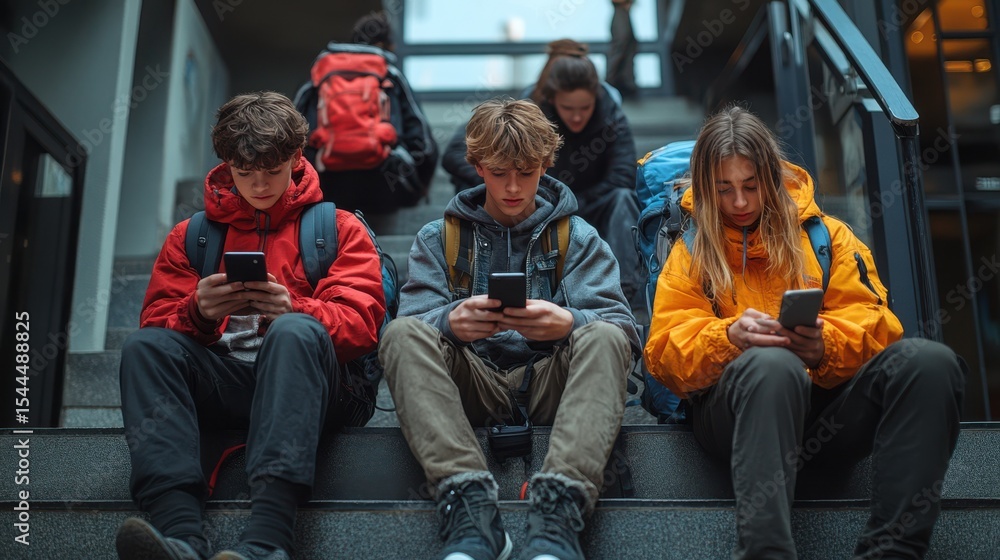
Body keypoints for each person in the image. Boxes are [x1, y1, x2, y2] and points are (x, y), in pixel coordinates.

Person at [644, 106, 966, 559]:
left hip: (823, 409)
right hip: (733, 415)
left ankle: (892, 551)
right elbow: (663, 354)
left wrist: (824, 346)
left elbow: (879, 324)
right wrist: (728, 338)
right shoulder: (689, 250)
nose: (739, 202)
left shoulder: (827, 237)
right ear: (704, 187)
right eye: (724, 190)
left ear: (772, 179)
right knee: (772, 364)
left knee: (930, 363)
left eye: (751, 186)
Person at [114, 92, 386, 560]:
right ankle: (179, 536)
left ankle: (266, 541)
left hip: (320, 385)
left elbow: (362, 325)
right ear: (226, 164)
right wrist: (198, 313)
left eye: (272, 171)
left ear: (296, 159)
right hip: (228, 379)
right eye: (244, 173)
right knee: (144, 348)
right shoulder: (192, 236)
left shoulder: (338, 228)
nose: (259, 185)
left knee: (292, 332)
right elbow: (157, 323)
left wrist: (295, 308)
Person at [380, 98, 639, 560]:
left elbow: (623, 331)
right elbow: (410, 328)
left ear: (545, 163)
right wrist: (449, 322)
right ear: (477, 167)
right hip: (471, 383)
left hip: (551, 384)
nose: (514, 187)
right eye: (499, 172)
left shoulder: (578, 236)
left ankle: (558, 512)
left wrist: (568, 322)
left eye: (526, 171)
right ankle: (470, 505)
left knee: (602, 335)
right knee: (400, 335)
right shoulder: (436, 239)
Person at [442, 39, 643, 316]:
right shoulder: (525, 116)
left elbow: (623, 176)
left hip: (590, 204)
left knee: (624, 198)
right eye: (567, 108)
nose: (576, 117)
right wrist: (494, 177)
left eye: (584, 108)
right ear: (551, 99)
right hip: (534, 207)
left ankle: (624, 291)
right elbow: (455, 152)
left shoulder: (612, 117)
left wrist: (572, 201)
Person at [294, 11, 438, 215]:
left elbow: (289, 132)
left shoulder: (320, 73)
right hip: (384, 183)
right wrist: (420, 189)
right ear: (383, 46)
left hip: (327, 183)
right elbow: (424, 144)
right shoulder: (391, 75)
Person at [606, 0, 638, 99]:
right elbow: (620, 46)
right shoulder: (620, 16)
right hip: (618, 82)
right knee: (620, 46)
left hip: (622, 82)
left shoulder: (623, 15)